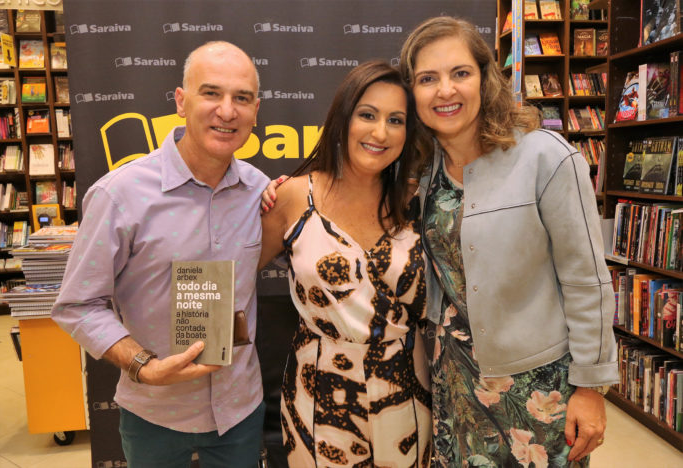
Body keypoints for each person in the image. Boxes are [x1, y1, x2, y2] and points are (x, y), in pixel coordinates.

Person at [399, 16, 619, 467]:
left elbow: (587, 281)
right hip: (453, 383)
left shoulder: (545, 157)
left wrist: (591, 388)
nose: (445, 91)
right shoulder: (422, 172)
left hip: (538, 390)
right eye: (428, 79)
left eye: (460, 73)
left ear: (484, 77)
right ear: (412, 92)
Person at [51, 41, 269, 468]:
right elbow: (77, 305)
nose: (227, 111)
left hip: (240, 412)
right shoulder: (120, 194)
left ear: (256, 110)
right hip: (154, 412)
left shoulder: (261, 191)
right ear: (181, 102)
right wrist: (143, 366)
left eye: (241, 98)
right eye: (211, 93)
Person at [259, 60, 431, 467]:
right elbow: (225, 274)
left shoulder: (421, 199)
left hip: (407, 389)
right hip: (319, 394)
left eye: (396, 120)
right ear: (342, 118)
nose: (379, 132)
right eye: (367, 115)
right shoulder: (293, 197)